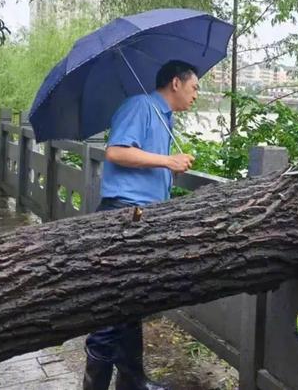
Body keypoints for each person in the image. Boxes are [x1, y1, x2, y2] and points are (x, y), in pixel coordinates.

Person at [82, 60, 198, 390]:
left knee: (131, 301)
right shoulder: (140, 105)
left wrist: (167, 168)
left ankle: (133, 383)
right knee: (111, 305)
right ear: (176, 83)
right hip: (123, 215)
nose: (196, 94)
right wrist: (167, 161)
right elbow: (116, 152)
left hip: (143, 216)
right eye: (194, 87)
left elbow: (142, 160)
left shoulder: (165, 117)